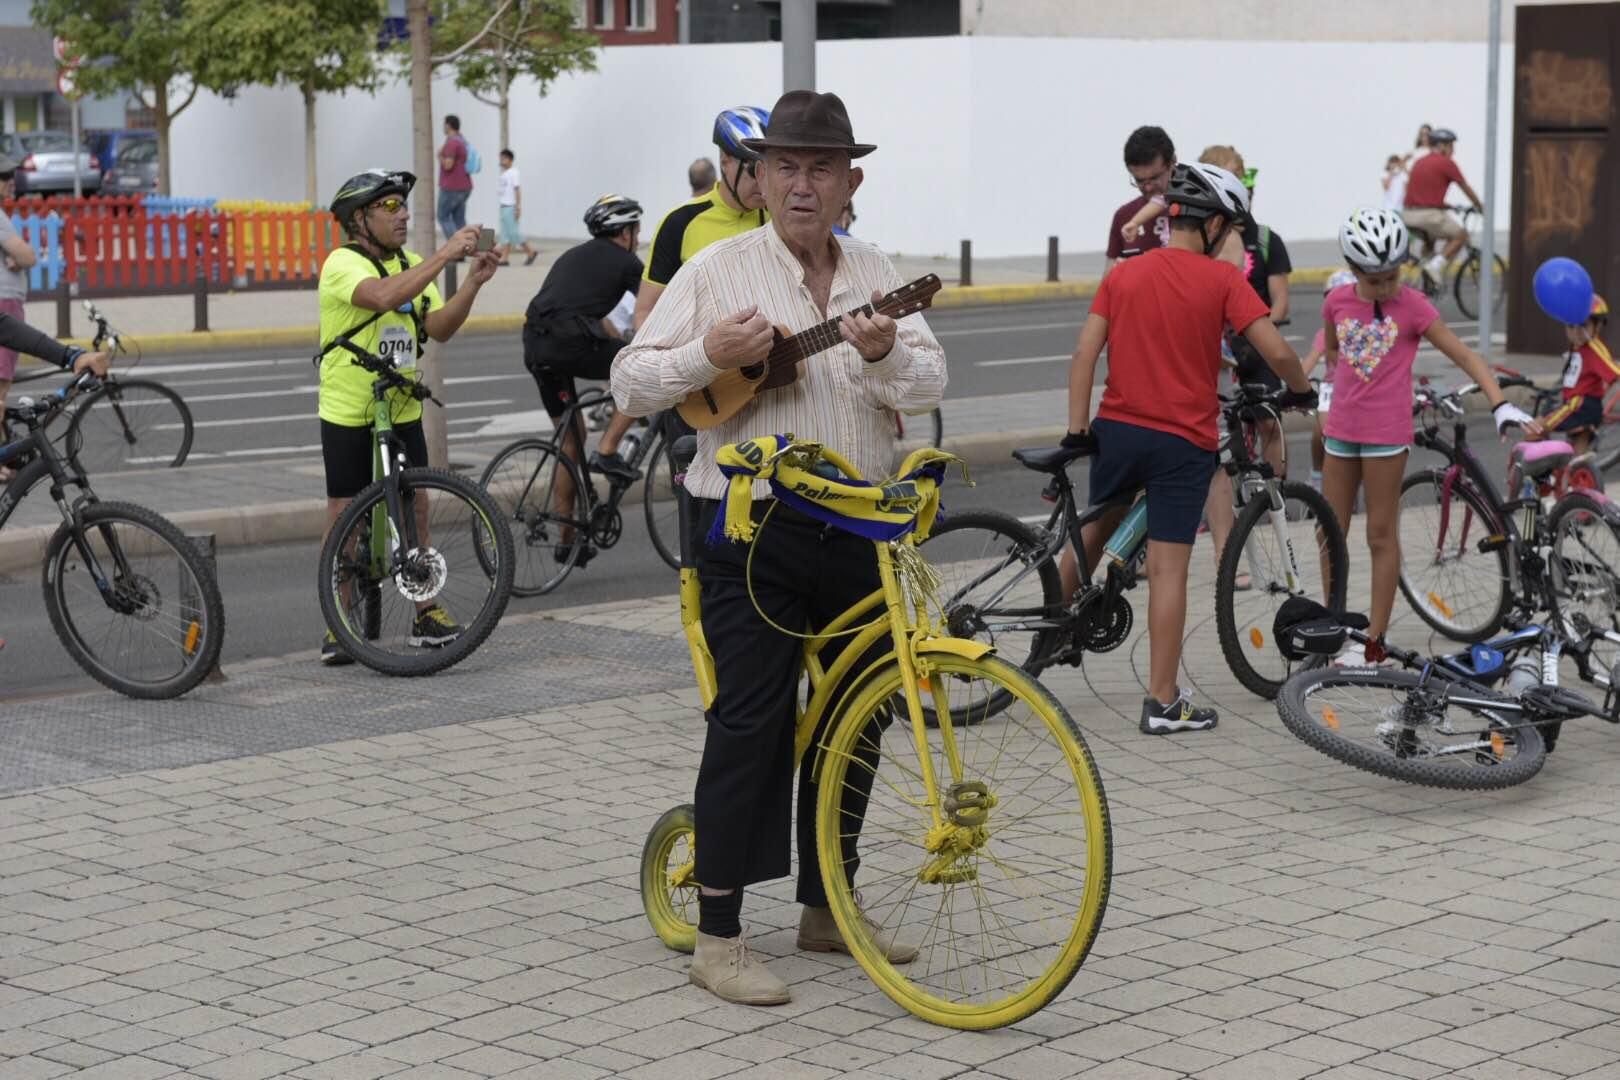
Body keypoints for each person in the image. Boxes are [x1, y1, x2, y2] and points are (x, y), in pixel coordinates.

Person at [612, 90, 946, 1006]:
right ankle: (717, 935)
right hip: (750, 531)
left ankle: (826, 909)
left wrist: (880, 357)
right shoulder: (718, 270)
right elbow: (631, 380)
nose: (802, 185)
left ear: (852, 182)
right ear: (757, 180)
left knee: (862, 718)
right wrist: (704, 355)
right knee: (752, 723)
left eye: (821, 168)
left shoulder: (879, 271)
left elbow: (930, 373)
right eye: (785, 167)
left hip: (858, 525)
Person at [1064, 163, 1314, 734]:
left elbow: (1083, 356)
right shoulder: (1222, 281)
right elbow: (1275, 351)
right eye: (1230, 231)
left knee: (1095, 529)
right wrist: (1301, 389)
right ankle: (1163, 701)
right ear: (1216, 225)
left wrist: (1077, 431)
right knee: (1169, 567)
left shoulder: (1123, 276)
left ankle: (1048, 629)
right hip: (1181, 442)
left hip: (1118, 431)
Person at [1325, 208, 1533, 665]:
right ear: (1354, 269)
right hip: (1339, 431)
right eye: (1375, 278)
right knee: (1331, 533)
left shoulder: (1414, 306)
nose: (1385, 286)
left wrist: (1499, 402)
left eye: (1392, 275)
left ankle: (1374, 643)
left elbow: (1468, 358)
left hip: (1385, 436)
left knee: (1380, 534)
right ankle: (1334, 628)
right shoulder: (1336, 302)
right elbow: (1331, 354)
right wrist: (1314, 393)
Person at [316, 169, 500, 665]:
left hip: (401, 403)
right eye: (390, 207)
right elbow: (381, 297)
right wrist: (444, 255)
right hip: (349, 408)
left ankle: (425, 610)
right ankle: (339, 618)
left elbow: (438, 328)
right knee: (344, 512)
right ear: (360, 219)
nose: (402, 216)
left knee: (415, 504)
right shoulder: (342, 263)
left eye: (404, 206)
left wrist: (472, 285)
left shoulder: (413, 264)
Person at [590, 107, 774, 478]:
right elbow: (646, 315)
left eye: (771, 167)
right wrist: (689, 366)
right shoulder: (681, 223)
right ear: (726, 161)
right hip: (701, 397)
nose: (763, 179)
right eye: (753, 167)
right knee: (699, 523)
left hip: (766, 395)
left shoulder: (780, 218)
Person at [520, 194, 645, 563]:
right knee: (636, 371)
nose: (636, 236)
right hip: (569, 345)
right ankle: (607, 451)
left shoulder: (572, 256)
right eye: (636, 229)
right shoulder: (627, 263)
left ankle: (568, 538)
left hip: (536, 345)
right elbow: (652, 310)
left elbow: (593, 318)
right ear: (625, 232)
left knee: (570, 439)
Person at [1536, 294, 1616, 457]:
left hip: (1580, 406)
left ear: (1597, 326)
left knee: (1537, 428)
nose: (1576, 332)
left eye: (1583, 326)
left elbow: (1613, 373)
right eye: (1570, 326)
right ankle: (1578, 477)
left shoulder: (1593, 350)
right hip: (1577, 404)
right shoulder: (1577, 347)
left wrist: (1596, 394)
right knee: (1578, 455)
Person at [1301, 270, 1359, 492]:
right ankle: (1317, 475)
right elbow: (1309, 362)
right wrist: (1294, 386)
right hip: (1331, 388)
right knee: (1323, 433)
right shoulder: (1325, 333)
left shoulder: (1365, 329)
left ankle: (1351, 480)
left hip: (1358, 387)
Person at [1401, 128, 1481, 282]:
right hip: (1428, 216)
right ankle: (1434, 267)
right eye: (1451, 146)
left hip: (1408, 215)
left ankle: (1422, 277)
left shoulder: (1419, 162)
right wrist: (1481, 207)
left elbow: (1421, 194)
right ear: (1442, 146)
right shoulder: (1446, 163)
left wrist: (1446, 206)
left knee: (1432, 240)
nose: (1453, 150)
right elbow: (1465, 188)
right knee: (1461, 235)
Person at [0, 152, 39, 464]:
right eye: (4, 176)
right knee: (1, 386)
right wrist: (19, 258)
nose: (10, 182)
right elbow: (27, 256)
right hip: (5, 301)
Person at [1103, 125, 1176, 279]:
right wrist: (1118, 273)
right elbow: (1106, 281)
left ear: (1173, 162)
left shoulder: (1197, 209)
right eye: (1139, 181)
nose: (1148, 187)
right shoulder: (1124, 215)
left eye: (1155, 178)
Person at [495, 149, 538, 267]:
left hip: (510, 207)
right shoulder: (504, 174)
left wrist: (518, 207)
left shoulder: (514, 172)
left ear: (510, 159)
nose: (501, 161)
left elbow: (517, 189)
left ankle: (530, 252)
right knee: (504, 234)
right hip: (503, 207)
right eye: (501, 158)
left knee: (514, 233)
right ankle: (504, 258)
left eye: (504, 158)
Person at [437, 115, 473, 242]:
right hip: (465, 185)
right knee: (459, 219)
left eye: (444, 124)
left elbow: (448, 165)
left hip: (452, 186)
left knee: (443, 216)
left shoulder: (452, 142)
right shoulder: (462, 140)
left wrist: (439, 156)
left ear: (448, 125)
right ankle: (468, 248)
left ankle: (457, 246)